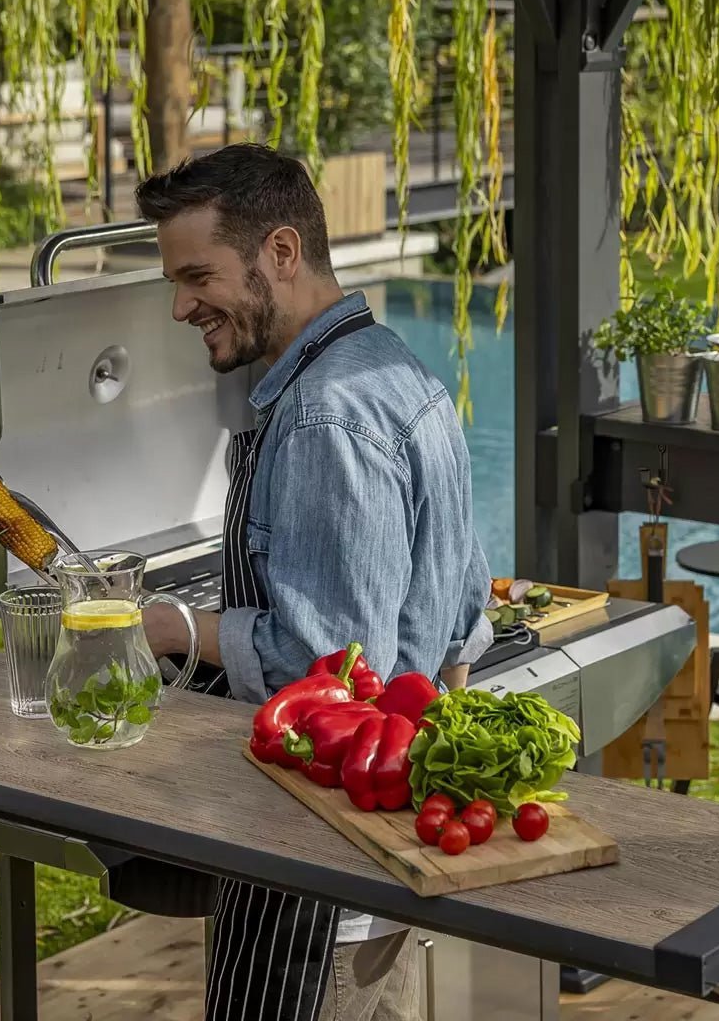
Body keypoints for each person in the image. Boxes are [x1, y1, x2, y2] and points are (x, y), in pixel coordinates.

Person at [136, 144, 494, 1021]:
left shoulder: (324, 415)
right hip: (381, 857)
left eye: (198, 277)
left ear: (282, 252)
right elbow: (464, 613)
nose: (181, 307)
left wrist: (170, 626)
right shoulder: (397, 370)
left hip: (308, 862)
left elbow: (327, 668)